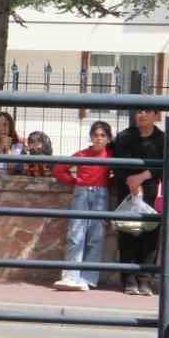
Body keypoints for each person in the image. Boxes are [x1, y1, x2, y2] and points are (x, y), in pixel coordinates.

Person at [109, 106, 165, 296]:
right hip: (127, 191)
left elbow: (166, 165)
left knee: (150, 238)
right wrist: (131, 181)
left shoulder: (163, 139)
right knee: (128, 234)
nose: (141, 114)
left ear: (157, 115)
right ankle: (129, 280)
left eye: (147, 111)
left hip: (151, 194)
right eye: (139, 111)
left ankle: (145, 281)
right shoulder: (124, 137)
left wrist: (143, 176)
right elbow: (117, 164)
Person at [52, 121, 112, 292]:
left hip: (101, 195)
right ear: (91, 137)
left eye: (102, 135)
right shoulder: (82, 154)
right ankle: (71, 276)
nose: (98, 139)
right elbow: (58, 170)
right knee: (76, 234)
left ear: (108, 138)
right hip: (82, 194)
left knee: (96, 236)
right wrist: (76, 182)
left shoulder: (111, 156)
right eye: (95, 135)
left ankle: (88, 278)